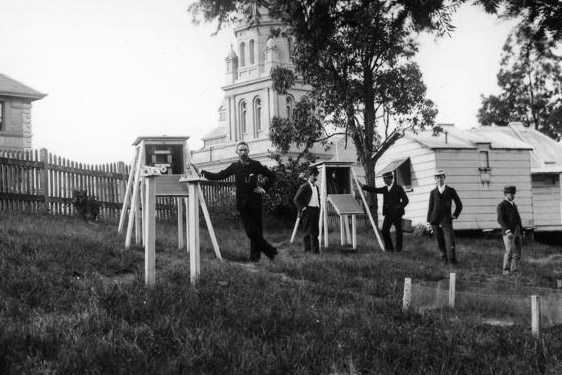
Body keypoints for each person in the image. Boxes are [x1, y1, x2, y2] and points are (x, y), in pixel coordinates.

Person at [196, 141, 277, 262]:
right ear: (237, 152)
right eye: (241, 150)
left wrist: (264, 188)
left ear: (248, 151)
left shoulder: (256, 164)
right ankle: (270, 251)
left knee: (257, 231)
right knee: (250, 231)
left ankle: (255, 258)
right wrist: (204, 173)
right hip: (242, 205)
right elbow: (220, 175)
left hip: (256, 203)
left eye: (245, 150)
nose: (243, 152)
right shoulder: (235, 166)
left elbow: (272, 176)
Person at [362, 171, 409, 252]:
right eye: (383, 179)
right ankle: (390, 248)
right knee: (384, 230)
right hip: (388, 214)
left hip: (397, 213)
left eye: (385, 179)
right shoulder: (385, 189)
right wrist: (364, 187)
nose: (384, 180)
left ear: (390, 178)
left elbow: (406, 200)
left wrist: (399, 207)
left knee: (398, 231)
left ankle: (398, 250)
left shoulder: (398, 188)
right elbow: (374, 190)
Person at [426, 169, 463, 264]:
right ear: (435, 179)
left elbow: (459, 204)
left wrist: (455, 215)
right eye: (437, 178)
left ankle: (452, 260)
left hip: (446, 220)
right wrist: (428, 221)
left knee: (450, 241)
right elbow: (430, 207)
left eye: (441, 177)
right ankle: (444, 259)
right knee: (440, 241)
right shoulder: (433, 192)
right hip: (435, 220)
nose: (439, 179)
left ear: (444, 178)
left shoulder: (450, 190)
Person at [293, 165, 321, 253]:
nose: (315, 177)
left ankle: (316, 251)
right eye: (314, 175)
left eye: (316, 175)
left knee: (315, 231)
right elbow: (296, 199)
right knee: (307, 232)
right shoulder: (304, 186)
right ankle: (307, 250)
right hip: (308, 211)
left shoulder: (316, 187)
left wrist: (319, 207)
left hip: (316, 210)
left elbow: (317, 198)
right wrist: (303, 208)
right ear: (309, 175)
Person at [497, 185, 523, 276]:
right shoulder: (501, 205)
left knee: (517, 252)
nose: (513, 195)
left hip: (517, 230)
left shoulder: (514, 205)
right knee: (509, 251)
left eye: (513, 194)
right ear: (506, 194)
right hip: (509, 232)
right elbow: (500, 219)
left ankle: (514, 269)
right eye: (511, 194)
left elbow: (518, 218)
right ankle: (506, 270)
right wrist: (507, 231)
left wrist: (521, 230)